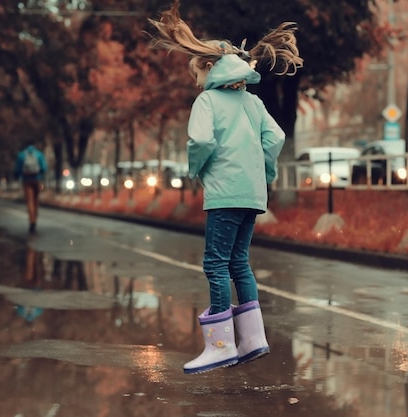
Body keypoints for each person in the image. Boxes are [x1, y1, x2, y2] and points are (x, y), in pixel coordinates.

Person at [149, 1, 303, 374]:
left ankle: (220, 346)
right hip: (252, 195)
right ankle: (252, 339)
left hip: (224, 193)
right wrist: (264, 173)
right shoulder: (252, 103)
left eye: (194, 74)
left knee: (215, 264)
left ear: (207, 67)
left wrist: (194, 171)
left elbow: (201, 143)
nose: (194, 82)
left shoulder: (207, 102)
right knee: (239, 263)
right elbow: (275, 138)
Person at [13, 144, 47, 233]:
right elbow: (43, 168)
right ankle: (35, 220)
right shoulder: (39, 154)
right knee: (36, 201)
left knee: (30, 201)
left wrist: (19, 175)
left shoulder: (22, 155)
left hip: (26, 181)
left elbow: (17, 169)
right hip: (37, 180)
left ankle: (31, 221)